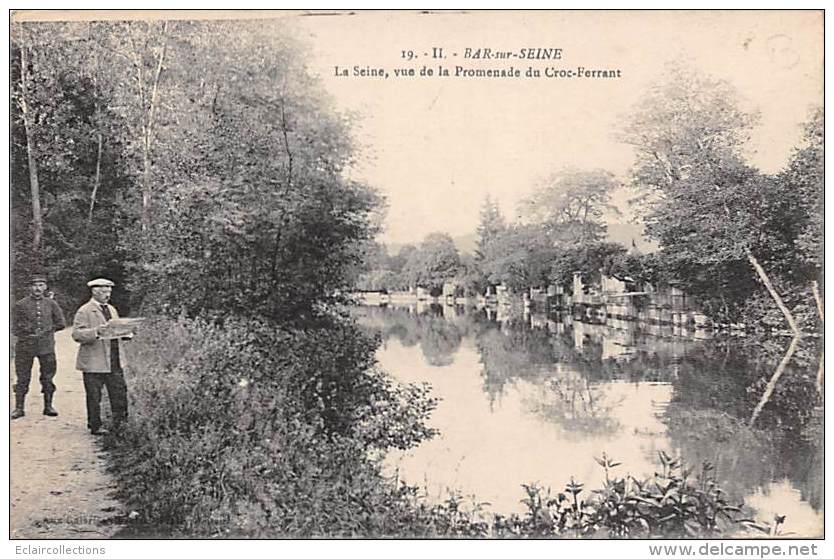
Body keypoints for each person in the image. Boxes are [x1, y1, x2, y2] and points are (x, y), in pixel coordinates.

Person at [72, 278, 132, 436]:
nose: (108, 295)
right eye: (104, 292)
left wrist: (126, 333)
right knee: (94, 395)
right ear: (94, 292)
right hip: (94, 360)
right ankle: (95, 425)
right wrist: (96, 331)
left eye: (109, 292)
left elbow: (116, 330)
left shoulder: (112, 309)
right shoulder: (84, 311)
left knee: (119, 392)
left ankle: (121, 424)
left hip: (114, 359)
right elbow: (77, 334)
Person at [11, 275, 67, 419]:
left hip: (46, 346)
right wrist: (27, 331)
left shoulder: (51, 304)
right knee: (22, 377)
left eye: (41, 285)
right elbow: (13, 327)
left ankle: (48, 406)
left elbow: (61, 323)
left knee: (48, 377)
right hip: (25, 346)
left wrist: (47, 331)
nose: (38, 288)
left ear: (45, 287)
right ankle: (19, 408)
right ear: (30, 287)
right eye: (35, 285)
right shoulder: (20, 305)